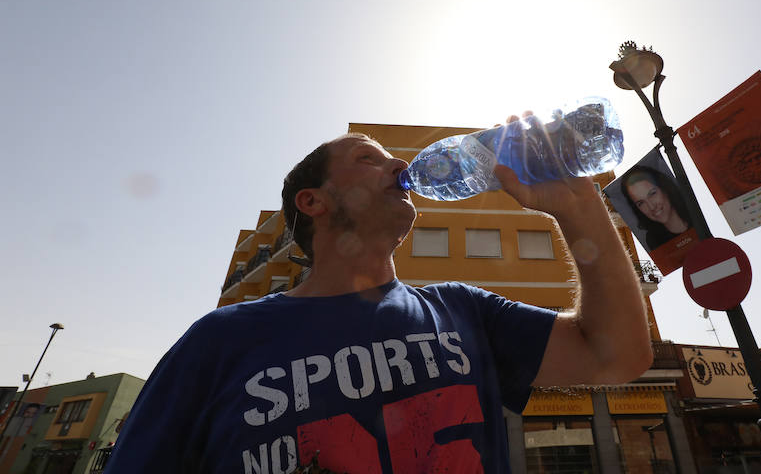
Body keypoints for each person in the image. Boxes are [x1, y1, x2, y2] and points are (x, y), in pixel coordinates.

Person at [106, 125, 652, 473]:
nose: (400, 166)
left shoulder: (463, 310)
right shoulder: (219, 340)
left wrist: (579, 209)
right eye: (370, 158)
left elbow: (618, 356)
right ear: (313, 201)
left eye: (395, 158)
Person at [622, 165, 693, 250]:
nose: (651, 207)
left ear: (665, 188)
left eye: (652, 194)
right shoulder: (654, 242)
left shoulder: (696, 215)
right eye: (641, 203)